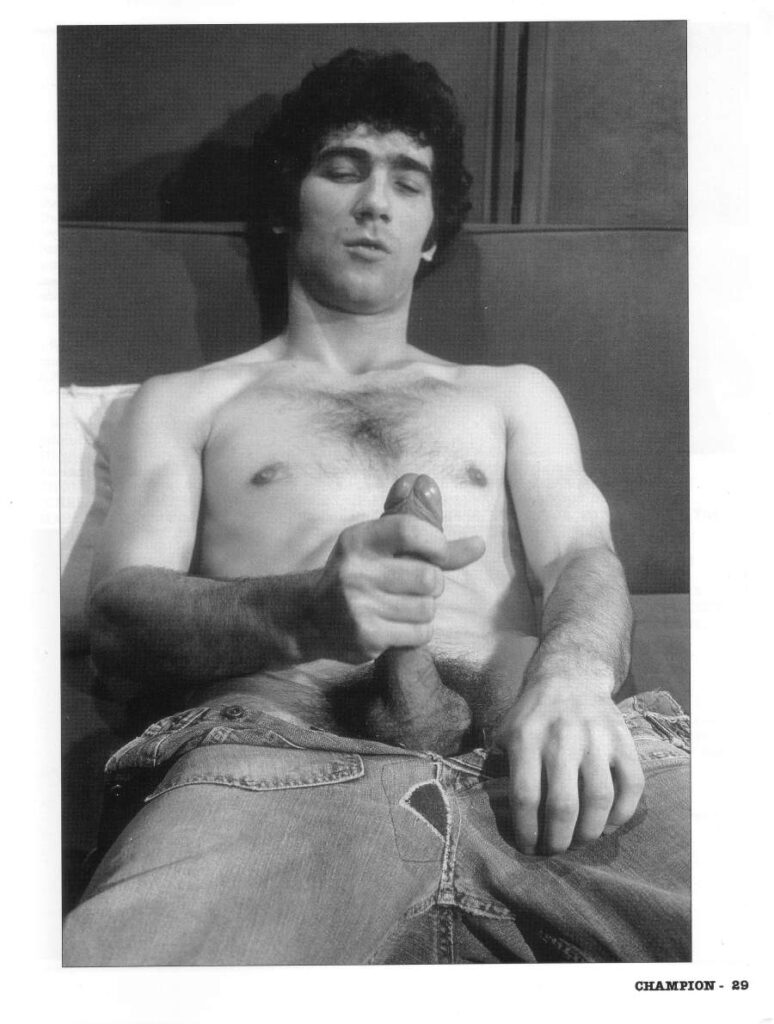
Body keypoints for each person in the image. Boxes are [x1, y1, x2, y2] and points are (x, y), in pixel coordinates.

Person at [63, 49, 690, 965]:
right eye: (344, 168)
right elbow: (121, 616)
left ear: (432, 233)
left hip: (541, 760)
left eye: (408, 180)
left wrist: (573, 681)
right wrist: (305, 611)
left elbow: (583, 560)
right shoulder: (188, 402)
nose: (375, 203)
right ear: (288, 202)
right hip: (277, 760)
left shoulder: (510, 393)